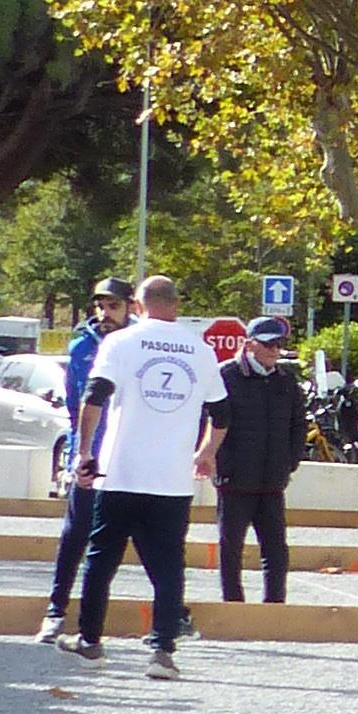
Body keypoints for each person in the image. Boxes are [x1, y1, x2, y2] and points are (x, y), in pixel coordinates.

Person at [66, 276, 224, 678]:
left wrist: (84, 453)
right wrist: (206, 452)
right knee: (170, 566)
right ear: (176, 303)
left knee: (102, 559)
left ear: (137, 305)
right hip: (172, 479)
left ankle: (90, 642)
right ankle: (162, 651)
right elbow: (222, 413)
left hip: (121, 471)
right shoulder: (201, 349)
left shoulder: (120, 343)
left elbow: (94, 397)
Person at [36, 279, 136, 645]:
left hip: (130, 453)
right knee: (75, 533)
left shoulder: (138, 343)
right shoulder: (81, 346)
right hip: (92, 454)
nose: (105, 313)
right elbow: (75, 405)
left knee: (151, 536)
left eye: (114, 306)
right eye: (100, 306)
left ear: (130, 307)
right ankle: (56, 611)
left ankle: (174, 614)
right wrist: (78, 454)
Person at [209, 315, 309, 604]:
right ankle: (233, 606)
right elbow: (209, 422)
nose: (275, 350)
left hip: (272, 482)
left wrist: (289, 463)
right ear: (249, 344)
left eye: (279, 344)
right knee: (231, 549)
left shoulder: (286, 380)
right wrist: (220, 463)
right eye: (268, 344)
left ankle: (275, 608)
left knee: (276, 550)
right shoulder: (225, 376)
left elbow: (298, 425)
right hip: (234, 481)